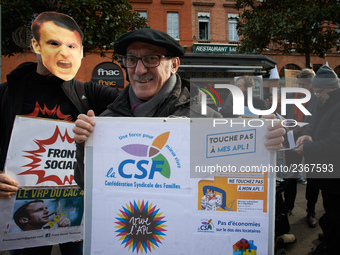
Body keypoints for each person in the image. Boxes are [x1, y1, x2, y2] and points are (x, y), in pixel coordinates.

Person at [72, 28, 285, 190]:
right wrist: (85, 145)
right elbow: (87, 185)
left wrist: (261, 147)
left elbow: (232, 179)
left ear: (174, 65)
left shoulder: (207, 119)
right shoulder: (107, 121)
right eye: (131, 59)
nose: (139, 69)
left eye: (151, 59)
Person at [0, 12, 119, 254]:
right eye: (54, 43)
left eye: (72, 45)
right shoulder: (6, 94)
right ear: (36, 45)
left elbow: (140, 105)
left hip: (78, 215)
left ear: (81, 52)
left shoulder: (91, 94)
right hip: (20, 220)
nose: (64, 52)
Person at [294, 65, 340, 255]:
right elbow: (314, 123)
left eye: (319, 91)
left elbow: (335, 141)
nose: (316, 95)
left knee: (335, 212)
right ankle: (328, 236)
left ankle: (331, 247)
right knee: (329, 209)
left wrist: (308, 147)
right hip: (327, 173)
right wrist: (307, 134)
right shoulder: (326, 103)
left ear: (332, 88)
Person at [283, 68, 319, 228]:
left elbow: (318, 120)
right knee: (290, 174)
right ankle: (288, 206)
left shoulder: (318, 98)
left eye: (305, 84)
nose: (302, 86)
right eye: (299, 83)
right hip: (292, 137)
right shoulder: (291, 95)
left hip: (311, 139)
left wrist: (303, 129)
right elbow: (285, 114)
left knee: (313, 176)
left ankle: (310, 210)